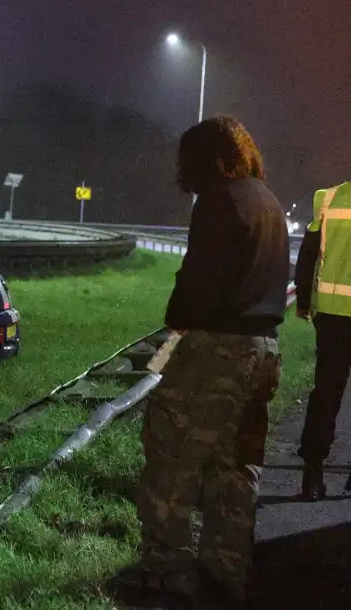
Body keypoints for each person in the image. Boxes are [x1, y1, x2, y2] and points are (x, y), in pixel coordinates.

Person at [121, 117, 289, 610]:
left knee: (172, 457)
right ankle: (225, 570)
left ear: (204, 159)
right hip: (264, 350)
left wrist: (177, 318)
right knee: (234, 467)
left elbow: (197, 285)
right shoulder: (269, 202)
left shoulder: (220, 201)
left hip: (216, 349)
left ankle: (166, 574)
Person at [293, 181, 351, 501]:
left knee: (326, 394)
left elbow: (309, 254)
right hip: (333, 316)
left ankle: (312, 475)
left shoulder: (327, 199)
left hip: (330, 315)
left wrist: (303, 300)